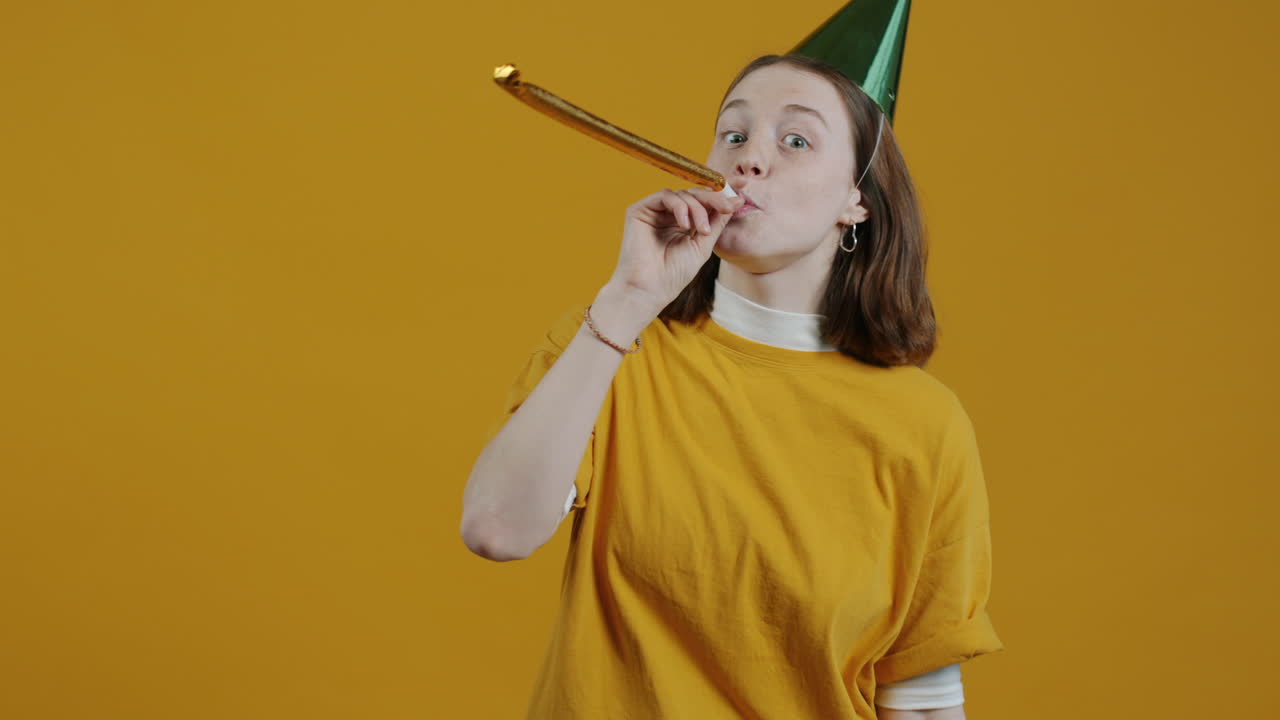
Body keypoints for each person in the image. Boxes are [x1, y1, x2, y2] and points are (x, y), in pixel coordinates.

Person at [461, 53, 1004, 720]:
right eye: (734, 134)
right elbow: (496, 529)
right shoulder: (610, 347)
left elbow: (921, 702)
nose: (749, 159)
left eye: (795, 140)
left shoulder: (925, 424)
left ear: (857, 200)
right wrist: (629, 299)